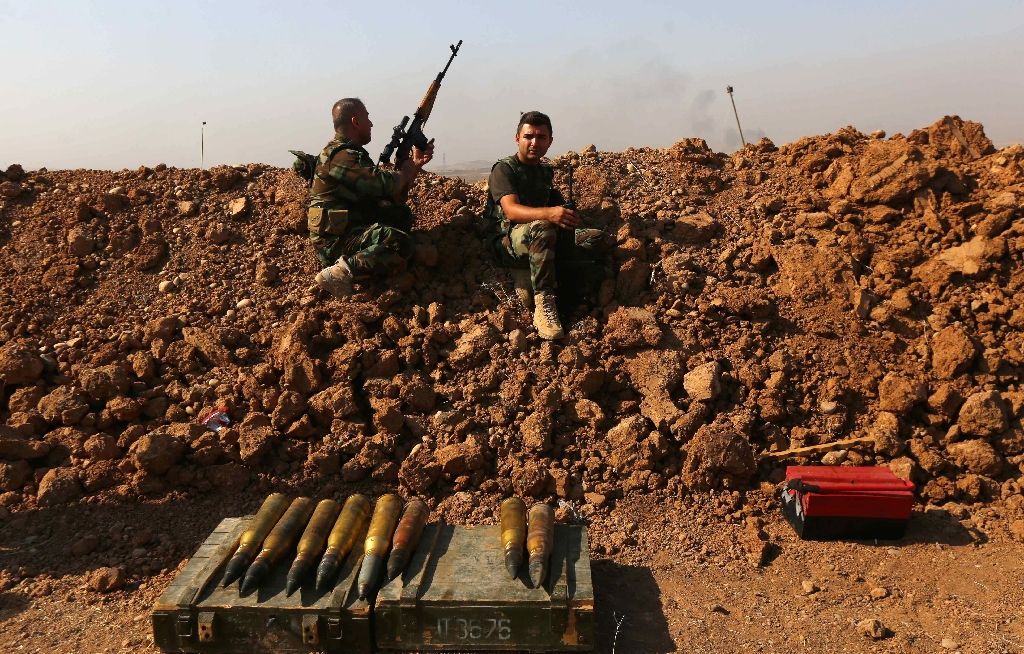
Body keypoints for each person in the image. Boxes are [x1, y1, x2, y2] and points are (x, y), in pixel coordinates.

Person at [484, 111, 608, 340]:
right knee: (544, 226)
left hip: (538, 237)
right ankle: (543, 301)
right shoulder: (504, 169)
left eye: (541, 137)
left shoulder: (544, 171)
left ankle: (536, 271)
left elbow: (553, 205)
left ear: (550, 141)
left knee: (594, 236)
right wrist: (550, 214)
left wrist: (565, 216)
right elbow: (511, 210)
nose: (534, 143)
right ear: (517, 138)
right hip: (507, 241)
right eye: (528, 136)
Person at [308, 97, 433, 297]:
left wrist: (413, 167)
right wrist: (405, 172)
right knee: (399, 243)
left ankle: (370, 260)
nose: (372, 123)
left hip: (349, 227)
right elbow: (381, 183)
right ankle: (342, 272)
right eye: (367, 118)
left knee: (400, 215)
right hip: (334, 241)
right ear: (356, 122)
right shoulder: (339, 155)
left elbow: (391, 197)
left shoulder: (354, 155)